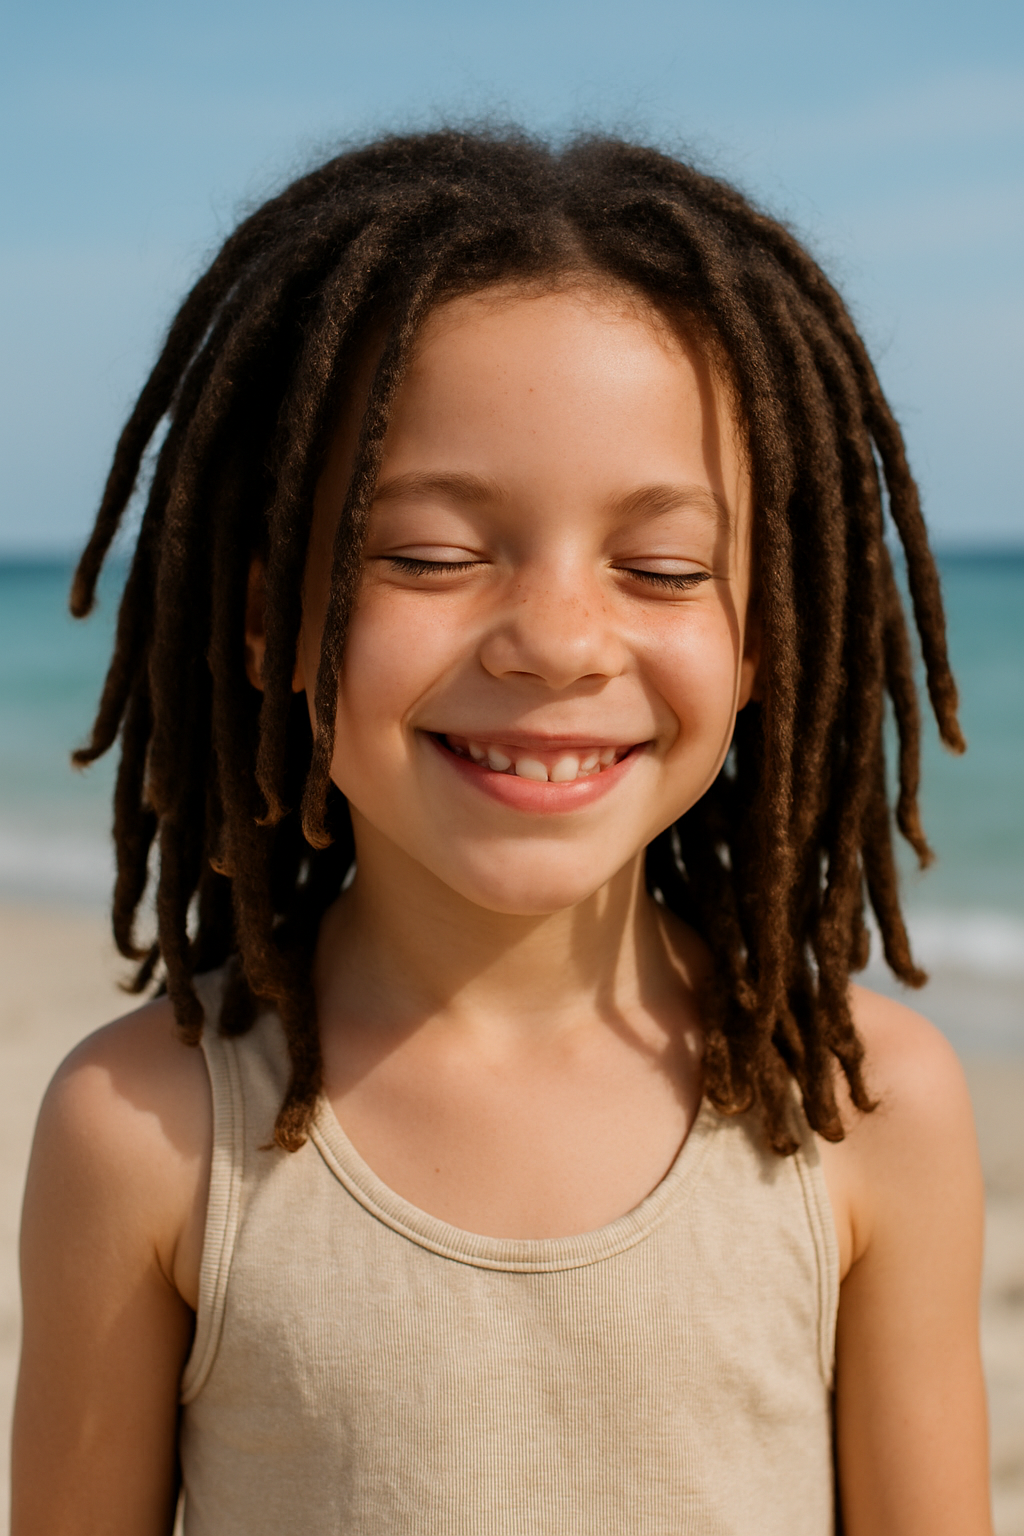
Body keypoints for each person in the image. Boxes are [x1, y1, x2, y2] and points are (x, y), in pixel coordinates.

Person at [12, 130, 992, 1535]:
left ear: (769, 633)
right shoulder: (146, 1131)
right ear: (257, 614)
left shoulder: (863, 1114)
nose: (556, 642)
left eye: (660, 568)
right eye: (428, 554)